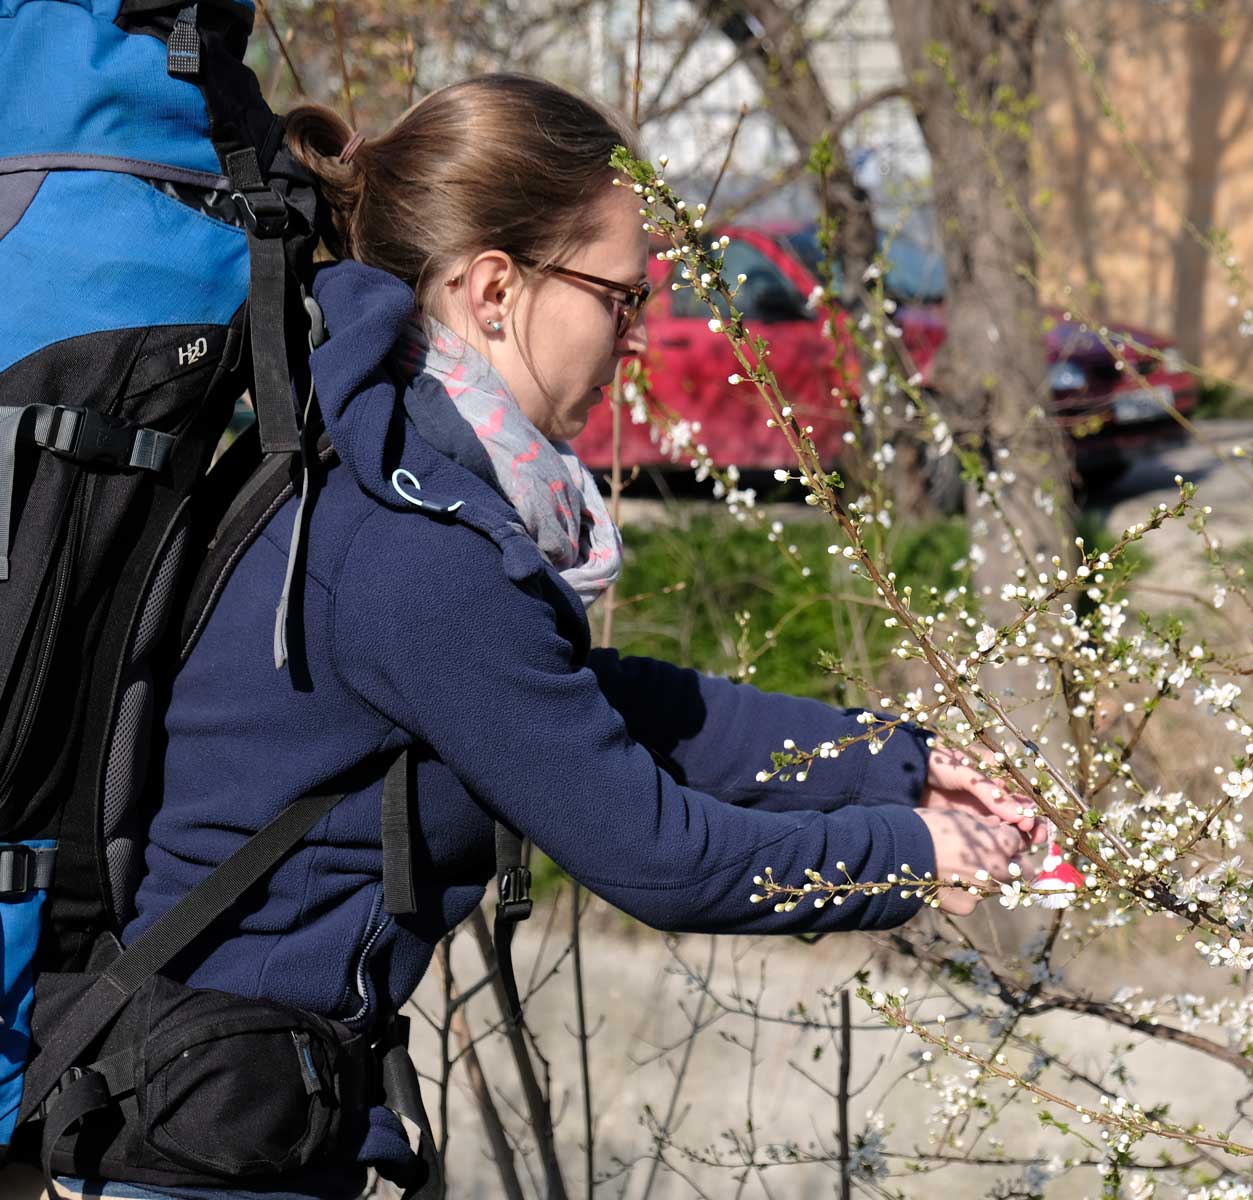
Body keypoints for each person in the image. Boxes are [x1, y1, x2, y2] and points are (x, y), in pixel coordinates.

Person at [55, 73, 1042, 1199]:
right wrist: (912, 857)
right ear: (492, 290)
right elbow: (657, 856)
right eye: (621, 296)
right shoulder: (414, 547)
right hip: (201, 1150)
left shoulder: (380, 464)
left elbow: (589, 707)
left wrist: (891, 762)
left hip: (234, 1119)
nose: (641, 333)